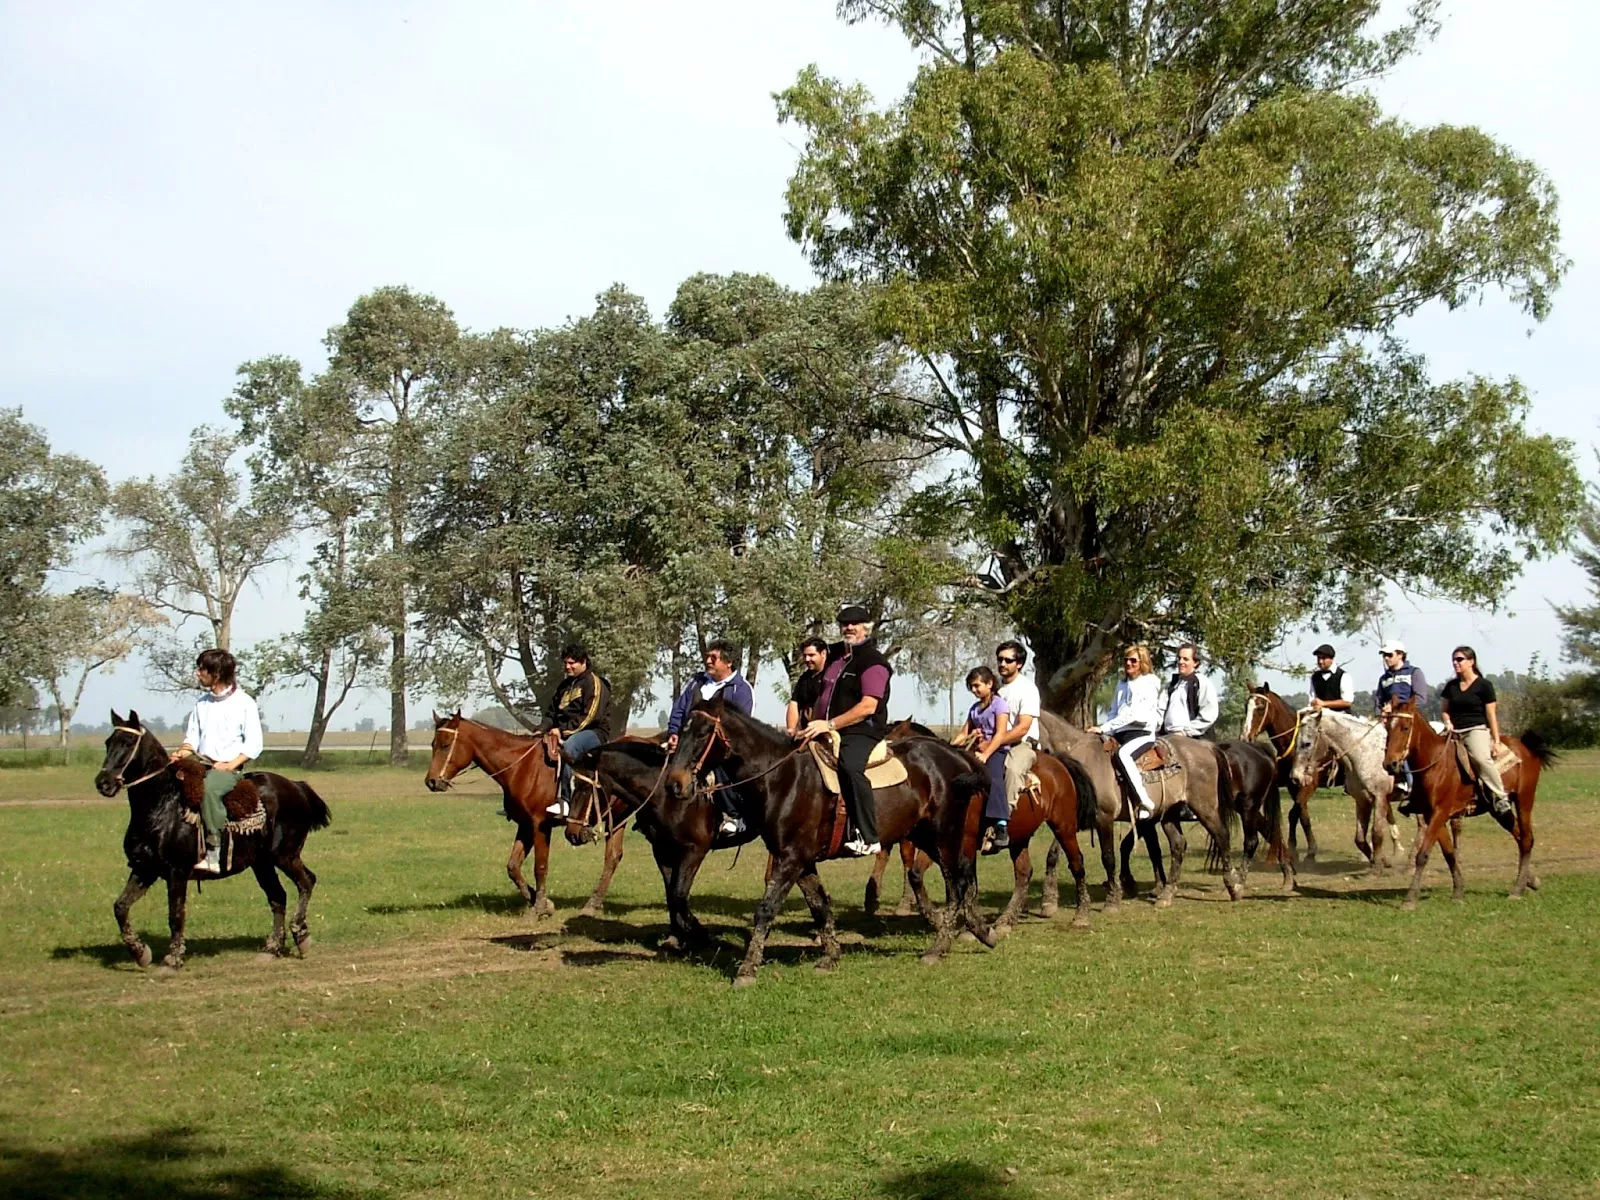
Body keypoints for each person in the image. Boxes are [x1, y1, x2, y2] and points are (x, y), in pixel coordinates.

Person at [798, 604, 893, 857]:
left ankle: (869, 836)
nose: (849, 628)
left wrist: (829, 724)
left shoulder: (873, 662)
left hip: (860, 730)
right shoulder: (836, 654)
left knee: (850, 766)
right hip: (826, 729)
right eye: (844, 624)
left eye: (855, 624)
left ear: (866, 628)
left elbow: (868, 707)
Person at [171, 648, 264, 875]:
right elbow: (192, 739)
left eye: (202, 669)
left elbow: (254, 744)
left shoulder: (245, 703)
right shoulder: (201, 704)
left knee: (209, 790)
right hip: (202, 764)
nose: (197, 673)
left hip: (228, 769)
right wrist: (181, 753)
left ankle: (214, 851)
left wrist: (229, 765)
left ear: (218, 673)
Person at [665, 640, 755, 836]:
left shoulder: (741, 689)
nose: (708, 661)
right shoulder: (695, 682)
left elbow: (739, 726)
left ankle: (732, 815)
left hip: (720, 747)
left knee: (720, 765)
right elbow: (679, 709)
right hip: (688, 741)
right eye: (707, 657)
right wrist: (673, 733)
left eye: (713, 658)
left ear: (729, 662)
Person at [538, 644, 613, 819]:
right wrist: (541, 728)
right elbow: (551, 713)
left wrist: (562, 731)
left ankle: (566, 801)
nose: (567, 667)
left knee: (570, 748)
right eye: (565, 663)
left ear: (583, 662)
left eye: (572, 663)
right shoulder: (564, 686)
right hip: (565, 730)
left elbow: (590, 717)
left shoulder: (594, 683)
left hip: (593, 733)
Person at [1089, 644, 1162, 821]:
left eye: (1133, 660)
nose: (1128, 663)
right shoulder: (1121, 684)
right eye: (1126, 660)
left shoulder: (1149, 683)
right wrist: (1106, 730)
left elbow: (1133, 715)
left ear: (1142, 663)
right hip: (1120, 733)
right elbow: (1114, 711)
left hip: (1142, 733)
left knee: (1123, 755)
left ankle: (1144, 801)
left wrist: (1103, 728)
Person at [1439, 645, 1512, 816]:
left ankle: (1501, 797)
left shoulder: (1484, 685)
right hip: (1454, 731)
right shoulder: (1451, 686)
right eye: (1453, 660)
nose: (1455, 663)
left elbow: (1491, 715)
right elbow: (1444, 710)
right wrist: (1447, 722)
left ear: (1471, 661)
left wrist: (1496, 741)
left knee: (1481, 758)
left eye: (1459, 659)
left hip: (1475, 729)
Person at [989, 640, 1041, 828]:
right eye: (1000, 659)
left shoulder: (1027, 689)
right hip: (996, 741)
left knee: (1012, 769)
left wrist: (996, 742)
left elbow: (1023, 728)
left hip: (1023, 744)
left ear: (1019, 664)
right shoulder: (995, 689)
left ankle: (1002, 822)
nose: (1002, 664)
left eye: (1008, 660)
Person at [961, 666, 1012, 853]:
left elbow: (1000, 734)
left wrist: (986, 754)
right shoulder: (974, 709)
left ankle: (1001, 825)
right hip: (978, 749)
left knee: (993, 776)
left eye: (977, 686)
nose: (974, 690)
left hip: (997, 750)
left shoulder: (1000, 705)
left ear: (989, 684)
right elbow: (963, 734)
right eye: (971, 687)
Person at [1376, 640, 1427, 806]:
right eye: (1384, 655)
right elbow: (1378, 701)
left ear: (1400, 655)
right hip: (1389, 721)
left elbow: (1421, 698)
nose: (1386, 658)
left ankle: (1410, 784)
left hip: (1410, 720)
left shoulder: (1414, 672)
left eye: (1389, 655)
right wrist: (1381, 712)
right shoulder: (1384, 678)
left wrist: (1397, 708)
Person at [1158, 643, 1219, 740]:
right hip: (1167, 736)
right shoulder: (1171, 685)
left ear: (1195, 662)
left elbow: (1209, 714)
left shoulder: (1202, 683)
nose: (1180, 662)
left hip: (1192, 738)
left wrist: (1184, 732)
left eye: (1185, 659)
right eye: (1179, 658)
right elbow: (1160, 710)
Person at [785, 637, 830, 738]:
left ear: (823, 653)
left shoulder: (832, 675)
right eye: (805, 655)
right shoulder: (804, 678)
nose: (807, 659)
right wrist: (791, 730)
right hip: (806, 733)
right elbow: (794, 703)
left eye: (811, 655)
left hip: (826, 732)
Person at [1308, 644, 1354, 712]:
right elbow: (1312, 700)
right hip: (1320, 714)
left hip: (1341, 715)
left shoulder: (1344, 676)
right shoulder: (1314, 677)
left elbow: (1347, 702)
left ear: (1331, 659)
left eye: (1323, 658)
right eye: (1318, 658)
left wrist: (1324, 704)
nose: (1320, 661)